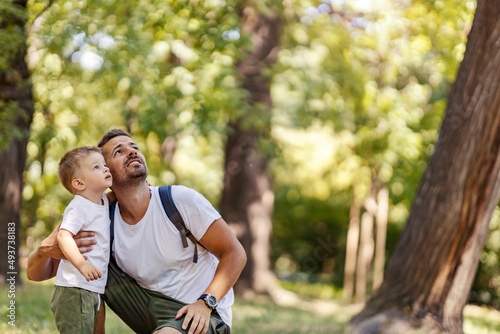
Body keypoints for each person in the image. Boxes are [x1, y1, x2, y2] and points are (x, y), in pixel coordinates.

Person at [27, 129, 247, 334]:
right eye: (119, 152)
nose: (131, 151)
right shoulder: (99, 216)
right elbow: (37, 273)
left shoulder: (180, 200)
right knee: (95, 271)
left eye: (134, 147)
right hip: (148, 309)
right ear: (106, 172)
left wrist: (206, 302)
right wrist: (44, 250)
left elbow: (235, 253)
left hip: (201, 313)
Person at [50, 146, 113, 333]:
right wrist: (82, 264)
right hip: (75, 288)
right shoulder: (78, 207)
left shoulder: (101, 201)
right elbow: (63, 235)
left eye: (104, 165)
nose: (105, 169)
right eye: (96, 167)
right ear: (78, 184)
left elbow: (112, 197)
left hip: (92, 288)